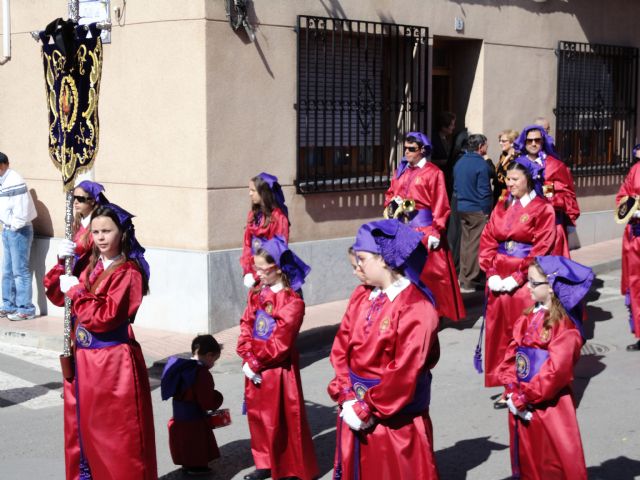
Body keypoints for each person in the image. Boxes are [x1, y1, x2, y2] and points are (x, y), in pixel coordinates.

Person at [44, 203, 157, 479]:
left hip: (113, 363)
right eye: (95, 232)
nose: (101, 237)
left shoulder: (129, 272)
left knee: (116, 439)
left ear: (122, 233)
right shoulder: (90, 266)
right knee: (85, 433)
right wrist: (61, 264)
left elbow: (104, 316)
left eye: (107, 231)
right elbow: (59, 296)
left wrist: (78, 291)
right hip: (84, 360)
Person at [328, 219, 440, 479]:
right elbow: (342, 347)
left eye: (362, 258)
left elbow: (406, 369)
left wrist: (367, 408)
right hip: (354, 404)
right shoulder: (362, 295)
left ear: (384, 259)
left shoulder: (417, 307)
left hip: (393, 417)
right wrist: (346, 392)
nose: (357, 266)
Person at [497, 256, 593, 479]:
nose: (527, 286)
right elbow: (512, 353)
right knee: (528, 456)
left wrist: (525, 395)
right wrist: (511, 387)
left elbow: (556, 371)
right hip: (522, 399)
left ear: (551, 287)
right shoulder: (528, 316)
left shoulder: (565, 327)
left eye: (533, 282)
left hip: (549, 405)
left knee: (550, 460)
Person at [236, 236, 318, 480]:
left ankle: (289, 465)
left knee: (281, 418)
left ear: (278, 268)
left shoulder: (292, 302)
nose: (257, 274)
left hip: (276, 369)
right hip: (254, 365)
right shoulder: (257, 294)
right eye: (256, 268)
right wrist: (246, 353)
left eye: (262, 269)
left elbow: (281, 341)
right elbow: (246, 324)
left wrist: (258, 361)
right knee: (258, 416)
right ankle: (264, 462)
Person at [478, 158, 556, 404]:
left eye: (514, 179)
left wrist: (518, 276)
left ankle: (525, 384)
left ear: (528, 180)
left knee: (521, 333)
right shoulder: (502, 205)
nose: (509, 184)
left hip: (523, 282)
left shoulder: (543, 209)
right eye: (507, 179)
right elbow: (488, 237)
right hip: (498, 277)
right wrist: (490, 272)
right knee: (499, 332)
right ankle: (506, 384)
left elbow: (542, 248)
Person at [384, 131, 466, 321]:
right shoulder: (401, 170)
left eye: (411, 149)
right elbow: (390, 193)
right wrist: (392, 203)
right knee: (405, 274)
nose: (407, 152)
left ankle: (435, 314)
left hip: (425, 230)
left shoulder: (434, 172)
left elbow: (440, 203)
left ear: (422, 150)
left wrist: (437, 230)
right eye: (405, 148)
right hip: (403, 229)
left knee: (431, 275)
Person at [161, 334, 224, 476]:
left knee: (185, 443)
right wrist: (218, 398)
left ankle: (187, 465)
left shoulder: (181, 367)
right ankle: (197, 468)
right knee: (196, 445)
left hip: (179, 415)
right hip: (194, 418)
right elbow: (207, 400)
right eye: (215, 359)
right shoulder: (201, 373)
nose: (213, 363)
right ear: (209, 355)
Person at [514, 125, 580, 257]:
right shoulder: (517, 164)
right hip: (523, 222)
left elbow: (568, 195)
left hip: (551, 222)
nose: (533, 143)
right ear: (524, 142)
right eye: (530, 140)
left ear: (543, 141)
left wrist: (551, 195)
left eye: (537, 140)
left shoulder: (555, 165)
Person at [453, 134, 493, 292]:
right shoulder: (481, 165)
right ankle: (470, 281)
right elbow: (485, 191)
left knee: (466, 243)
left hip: (462, 207)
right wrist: (486, 211)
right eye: (486, 145)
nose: (487, 148)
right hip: (477, 208)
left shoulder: (460, 162)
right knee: (474, 245)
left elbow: (456, 186)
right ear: (480, 146)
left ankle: (463, 277)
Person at [0, 151, 38, 321]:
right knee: (7, 271)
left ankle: (26, 309)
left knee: (19, 271)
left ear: (2, 165)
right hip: (8, 230)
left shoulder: (14, 180)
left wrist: (13, 227)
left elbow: (21, 211)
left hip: (19, 230)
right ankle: (8, 306)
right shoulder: (4, 180)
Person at [240, 173, 290, 289]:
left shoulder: (278, 218)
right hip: (255, 273)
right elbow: (247, 244)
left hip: (270, 276)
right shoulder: (253, 215)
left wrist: (258, 275)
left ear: (263, 193)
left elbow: (276, 251)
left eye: (253, 190)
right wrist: (247, 271)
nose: (250, 194)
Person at [616, 144, 640, 351]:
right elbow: (622, 196)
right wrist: (630, 210)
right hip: (636, 236)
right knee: (636, 286)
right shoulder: (635, 170)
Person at [494, 129, 519, 205]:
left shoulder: (517, 158)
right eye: (500, 140)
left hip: (509, 196)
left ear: (512, 142)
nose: (500, 143)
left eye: (504, 141)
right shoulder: (503, 155)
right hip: (497, 193)